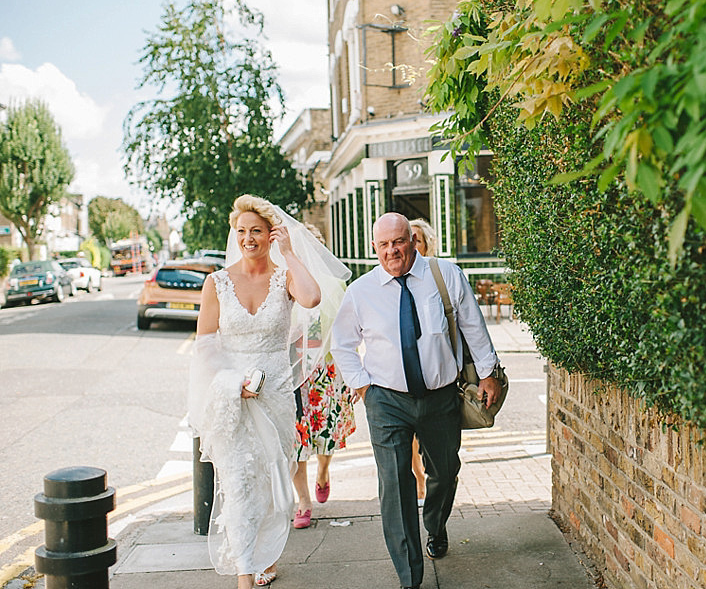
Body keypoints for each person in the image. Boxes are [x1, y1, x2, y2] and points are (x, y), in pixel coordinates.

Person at [331, 212, 502, 589]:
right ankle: (411, 575)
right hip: (387, 401)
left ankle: (435, 524)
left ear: (413, 239)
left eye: (399, 241)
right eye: (384, 245)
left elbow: (474, 324)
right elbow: (341, 344)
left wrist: (488, 373)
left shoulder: (445, 275)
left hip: (441, 397)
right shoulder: (361, 291)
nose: (393, 251)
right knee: (395, 484)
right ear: (374, 248)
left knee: (444, 472)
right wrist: (363, 388)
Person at [188, 195, 350, 589]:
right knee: (240, 483)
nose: (248, 238)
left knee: (273, 487)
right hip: (231, 397)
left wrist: (290, 252)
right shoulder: (217, 283)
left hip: (275, 393)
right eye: (241, 231)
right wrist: (231, 384)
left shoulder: (284, 277)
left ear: (270, 233)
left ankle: (266, 555)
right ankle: (245, 572)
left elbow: (312, 298)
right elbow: (206, 345)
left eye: (256, 231)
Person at [291, 223, 355, 528]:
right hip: (295, 373)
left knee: (327, 436)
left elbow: (347, 334)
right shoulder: (285, 281)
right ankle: (303, 502)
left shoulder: (335, 285)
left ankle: (324, 471)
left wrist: (352, 373)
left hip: (328, 372)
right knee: (296, 441)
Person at [407, 218, 438, 502]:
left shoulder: (441, 277)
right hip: (407, 378)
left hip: (438, 377)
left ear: (427, 246)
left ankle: (433, 477)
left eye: (416, 240)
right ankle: (418, 479)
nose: (410, 245)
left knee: (439, 452)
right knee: (411, 439)